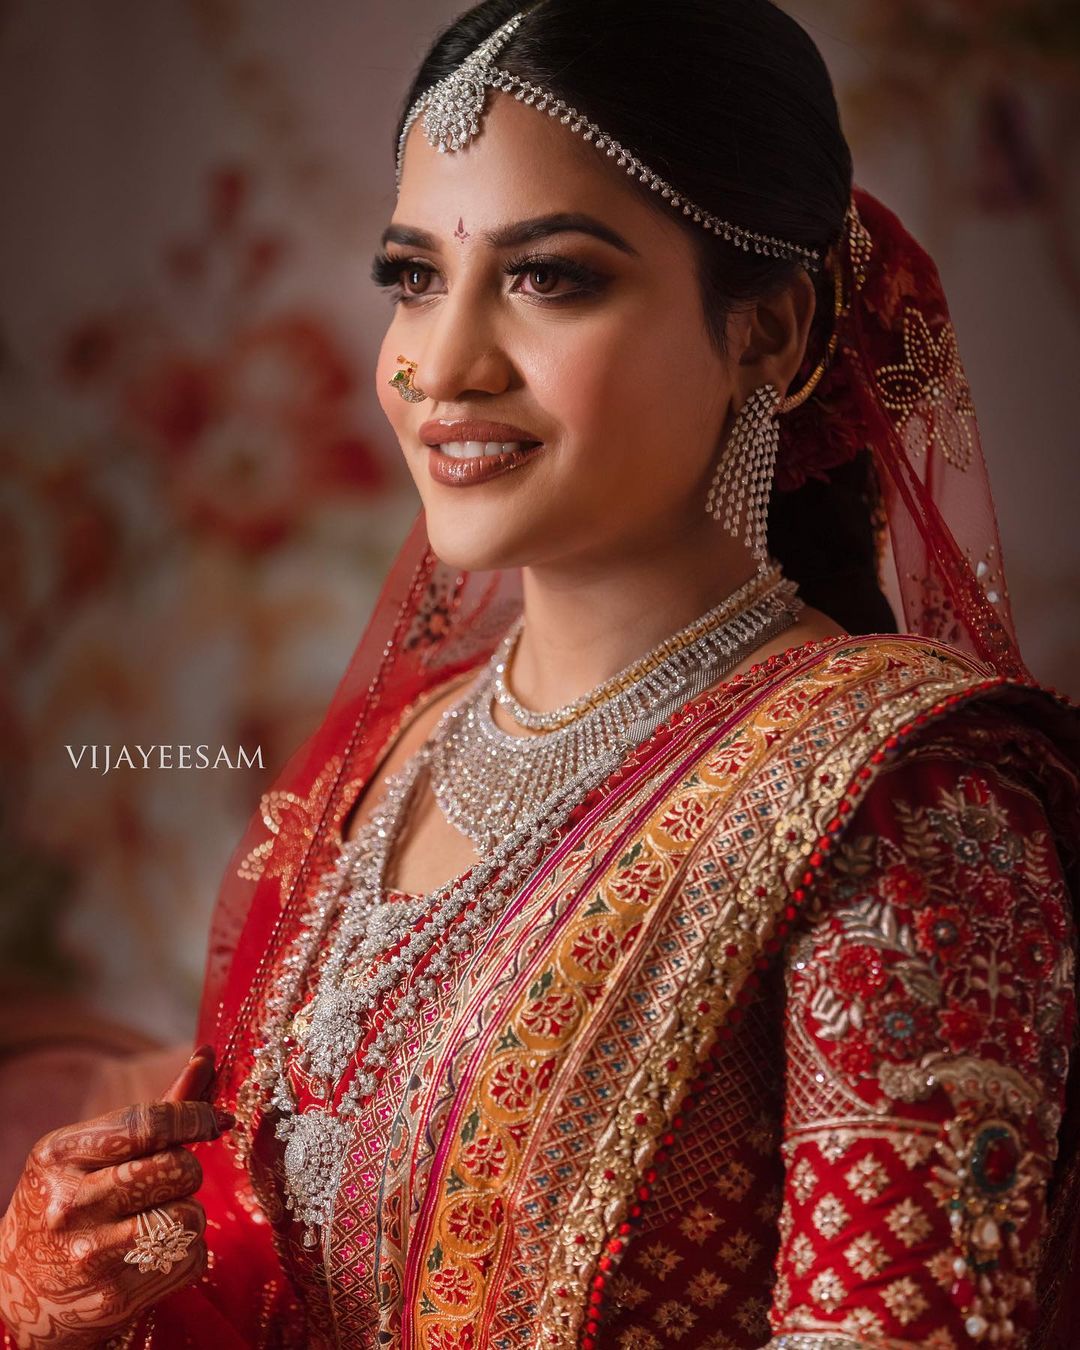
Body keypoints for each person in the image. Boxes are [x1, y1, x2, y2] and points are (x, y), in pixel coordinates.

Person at [2, 1, 1078, 1346]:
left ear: (771, 333)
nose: (440, 365)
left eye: (550, 275)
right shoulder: (384, 768)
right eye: (414, 274)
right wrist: (81, 1306)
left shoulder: (910, 808)